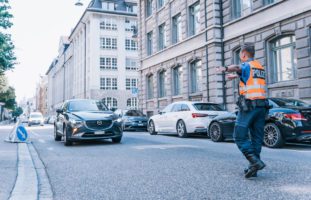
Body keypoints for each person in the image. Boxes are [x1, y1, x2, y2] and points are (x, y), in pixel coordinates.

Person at [217, 42, 268, 178]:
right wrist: (237, 76)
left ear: (244, 54)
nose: (240, 57)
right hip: (261, 107)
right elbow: (250, 78)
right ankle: (254, 168)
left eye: (240, 54)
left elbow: (239, 67)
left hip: (249, 107)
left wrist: (226, 68)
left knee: (239, 136)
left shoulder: (246, 65)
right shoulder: (259, 67)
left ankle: (255, 162)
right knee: (256, 138)